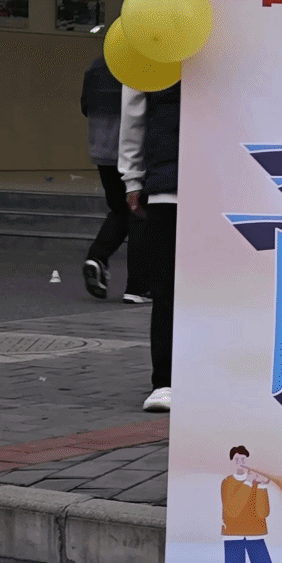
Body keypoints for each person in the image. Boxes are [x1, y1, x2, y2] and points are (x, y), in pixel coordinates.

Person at [117, 78, 180, 411]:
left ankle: (166, 381)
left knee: (167, 289)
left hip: (170, 184)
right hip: (208, 184)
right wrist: (133, 178)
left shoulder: (156, 56)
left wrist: (133, 178)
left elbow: (133, 114)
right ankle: (169, 379)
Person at [78, 52, 144, 303]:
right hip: (132, 150)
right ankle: (138, 287)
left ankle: (97, 258)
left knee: (119, 209)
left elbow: (85, 106)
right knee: (139, 212)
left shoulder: (96, 64)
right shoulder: (141, 62)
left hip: (101, 149)